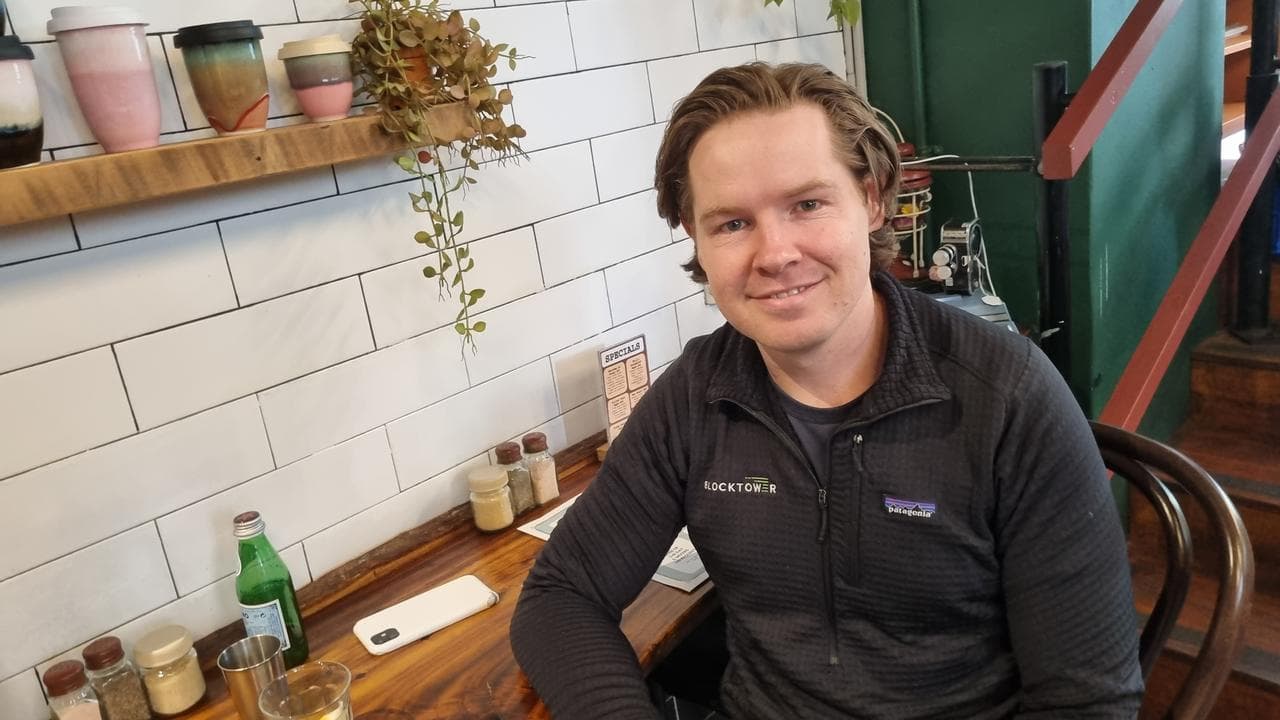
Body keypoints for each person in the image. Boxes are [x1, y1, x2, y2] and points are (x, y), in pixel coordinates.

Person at [510, 62, 1142, 719]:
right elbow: (561, 596)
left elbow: (1088, 699)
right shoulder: (694, 397)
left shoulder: (1009, 397)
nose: (775, 254)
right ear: (695, 236)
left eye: (807, 205)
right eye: (731, 224)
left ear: (871, 201)